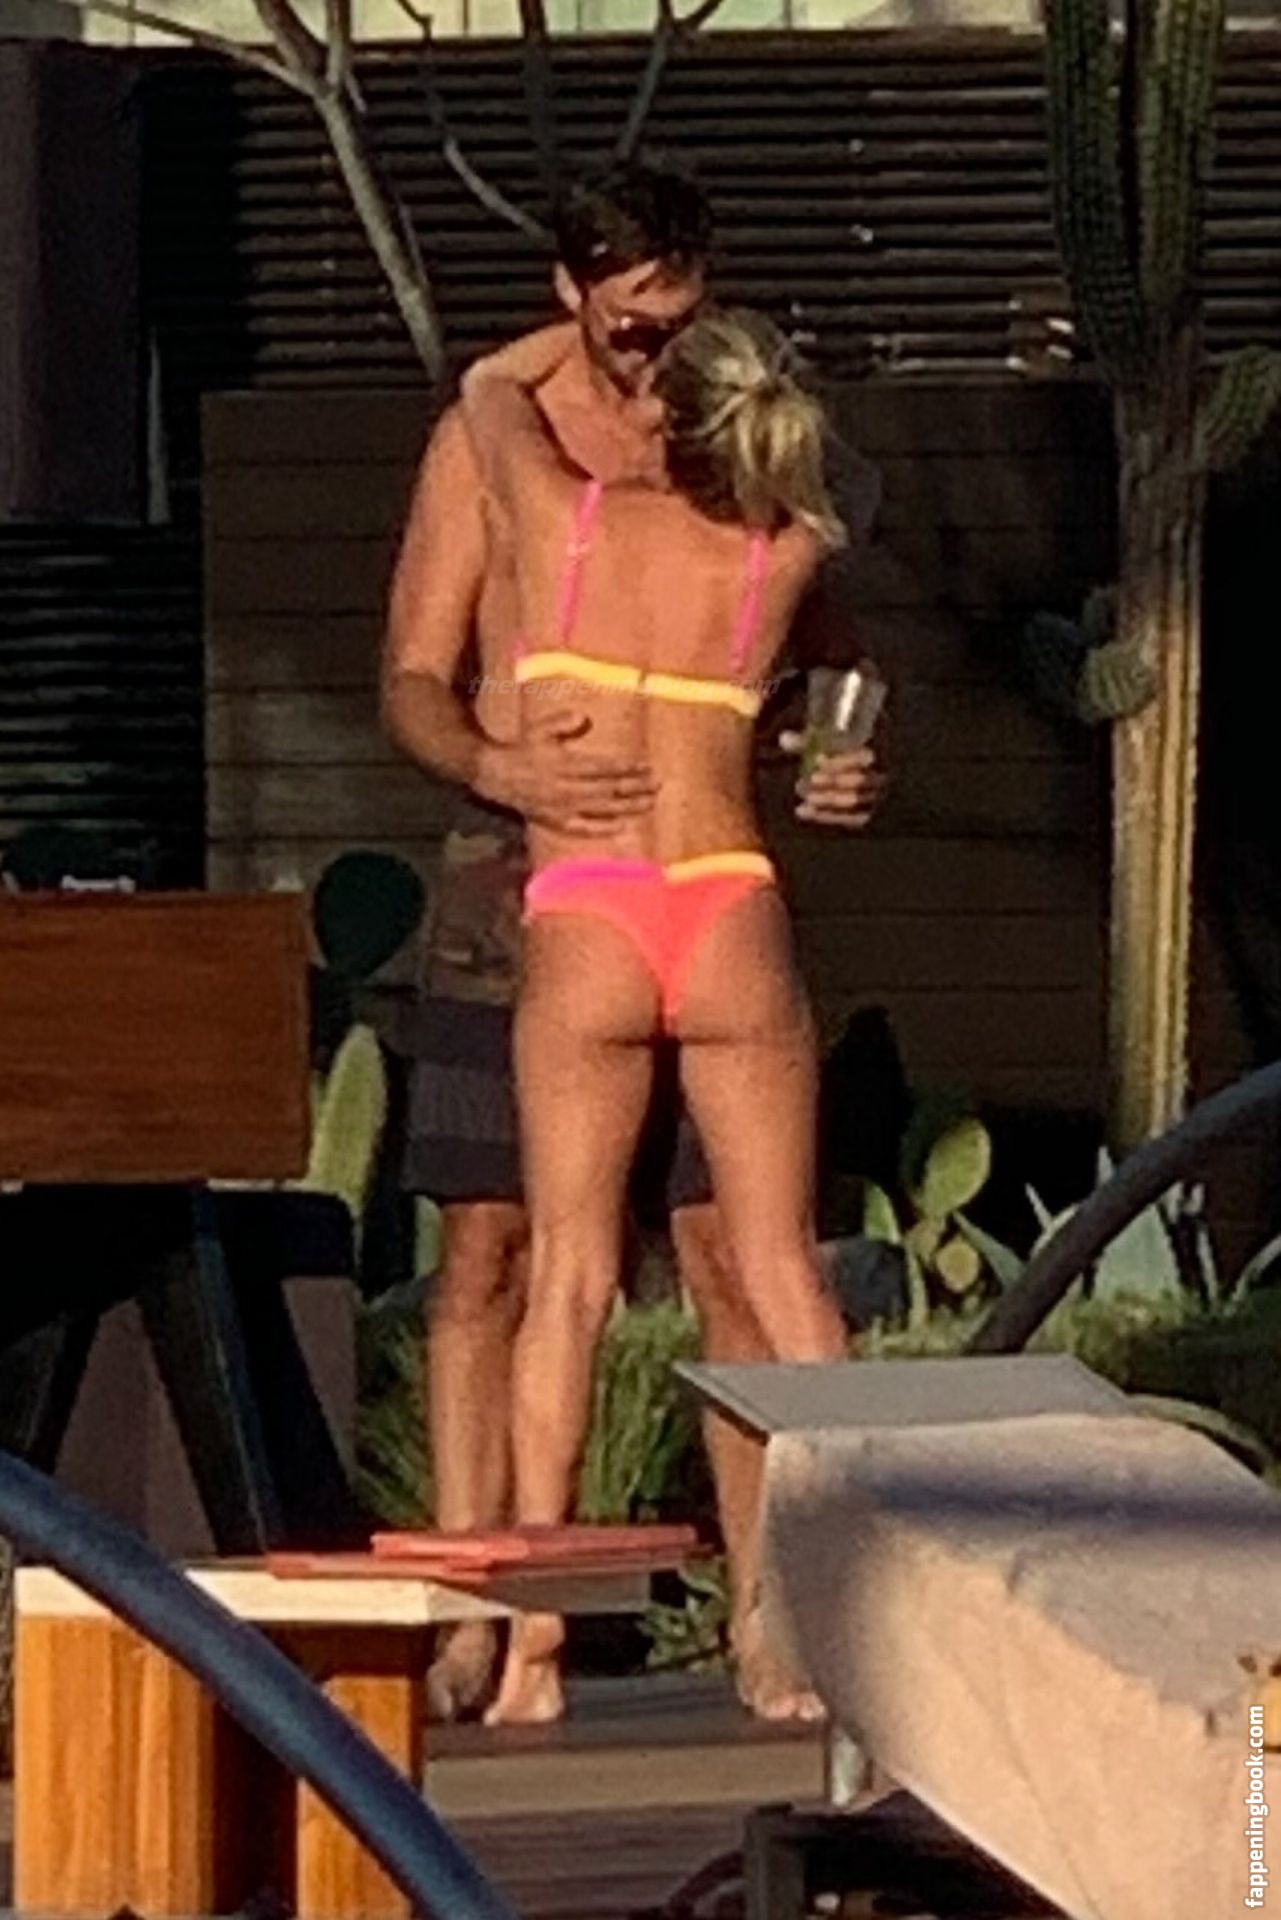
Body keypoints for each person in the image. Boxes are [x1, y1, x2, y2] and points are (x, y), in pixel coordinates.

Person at [381, 160, 883, 1725]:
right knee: (777, 1275)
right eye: (626, 314)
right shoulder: (781, 529)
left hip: (593, 904)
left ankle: (551, 1647)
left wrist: (843, 754)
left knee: (585, 1279)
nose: (645, 345)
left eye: (677, 319)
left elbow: (484, 390)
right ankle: (855, 1615)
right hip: (716, 893)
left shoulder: (563, 508)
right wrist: (497, 765)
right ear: (577, 291)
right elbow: (411, 677)